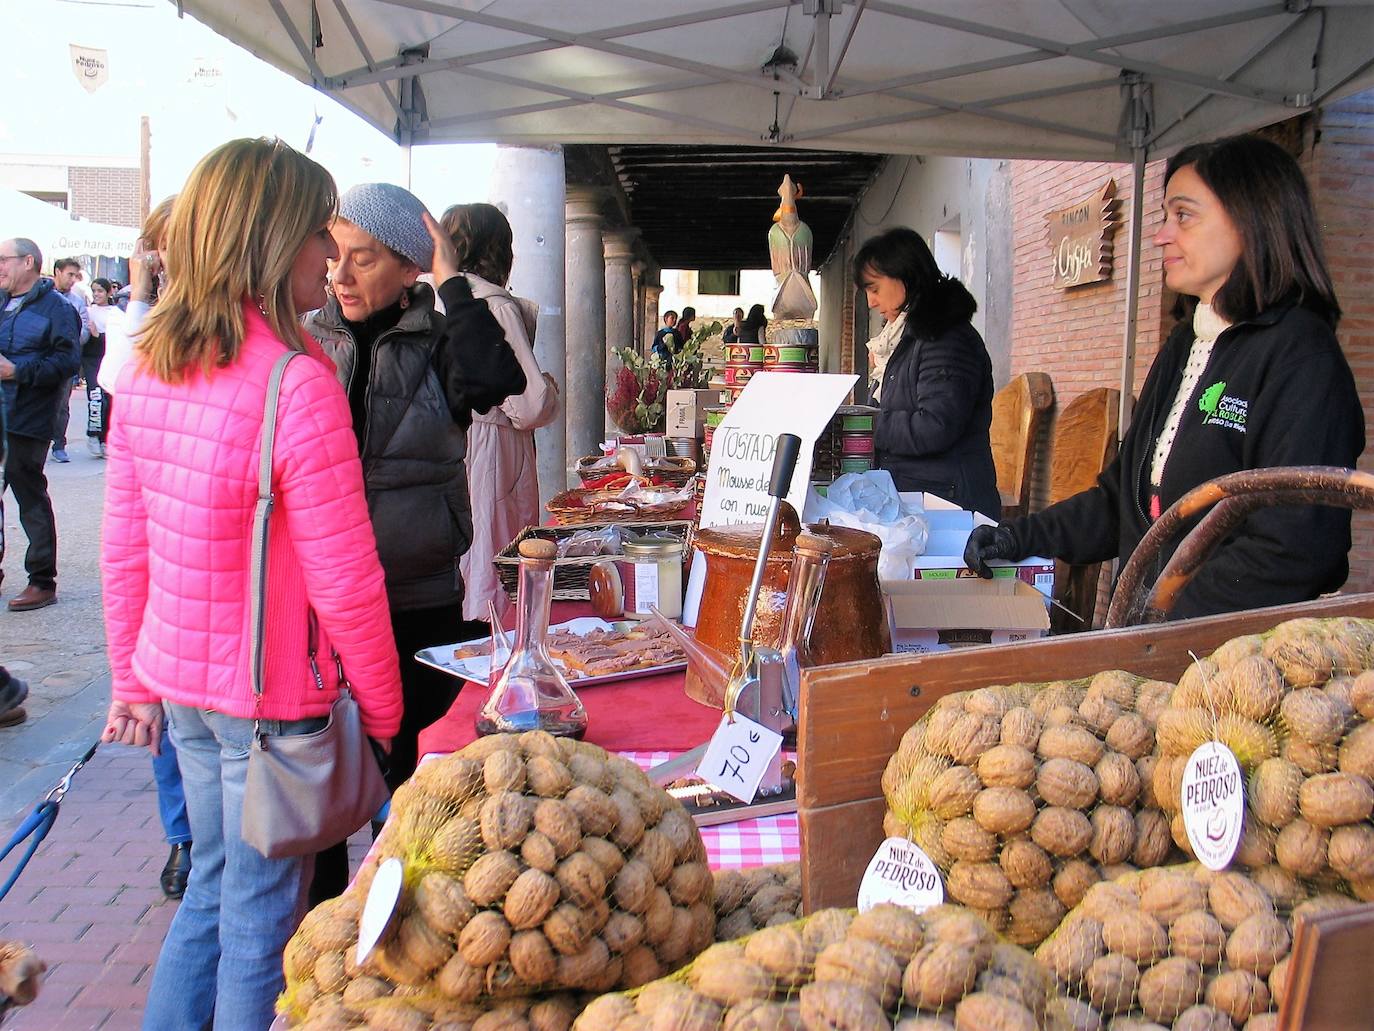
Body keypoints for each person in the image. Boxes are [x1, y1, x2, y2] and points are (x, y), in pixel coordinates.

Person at [99, 137, 403, 1028]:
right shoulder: (294, 383)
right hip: (271, 707)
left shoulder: (149, 366)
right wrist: (383, 716)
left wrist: (131, 679)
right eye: (319, 234)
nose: (331, 256)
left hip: (186, 691)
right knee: (263, 920)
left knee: (212, 892)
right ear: (273, 243)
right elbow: (348, 581)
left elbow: (125, 549)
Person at [966, 134, 1365, 620]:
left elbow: (1295, 547)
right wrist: (1018, 536)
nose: (1161, 235)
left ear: (1251, 219)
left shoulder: (1301, 357)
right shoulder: (1185, 344)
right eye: (1164, 216)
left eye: (1184, 215)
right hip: (1154, 648)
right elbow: (1124, 505)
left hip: (1228, 667)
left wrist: (1158, 616)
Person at [303, 182, 525, 792]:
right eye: (334, 254)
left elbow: (497, 377)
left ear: (409, 269)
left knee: (410, 774)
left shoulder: (441, 340)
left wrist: (451, 281)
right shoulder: (308, 338)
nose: (341, 275)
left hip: (415, 595)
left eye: (364, 258)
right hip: (321, 598)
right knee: (317, 781)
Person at [441, 202, 560, 624]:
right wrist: (550, 388)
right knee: (496, 560)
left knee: (472, 554)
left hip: (459, 441)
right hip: (493, 444)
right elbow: (529, 403)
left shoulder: (446, 301)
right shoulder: (494, 304)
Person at [853, 227, 1000, 519]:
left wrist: (863, 426)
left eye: (874, 289)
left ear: (903, 274)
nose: (871, 302)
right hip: (922, 496)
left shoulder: (944, 336)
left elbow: (935, 425)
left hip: (948, 505)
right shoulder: (905, 338)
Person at [0, 237, 80, 610]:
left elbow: (67, 364)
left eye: (4, 259)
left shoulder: (57, 309)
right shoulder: (2, 304)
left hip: (28, 416)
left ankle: (41, 581)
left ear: (28, 261)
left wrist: (18, 370)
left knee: (28, 493)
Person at [49, 258, 88, 464]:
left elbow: (83, 334)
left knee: (62, 405)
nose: (73, 279)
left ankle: (59, 444)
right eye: (69, 274)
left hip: (64, 361)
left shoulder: (77, 302)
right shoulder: (43, 297)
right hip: (43, 359)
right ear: (58, 272)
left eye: (75, 275)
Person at [83, 277, 116, 457]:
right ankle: (94, 435)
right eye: (94, 291)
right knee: (95, 398)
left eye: (100, 291)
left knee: (109, 400)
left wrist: (98, 335)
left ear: (109, 292)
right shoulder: (88, 312)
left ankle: (106, 439)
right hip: (91, 361)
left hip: (108, 359)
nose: (97, 294)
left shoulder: (114, 313)